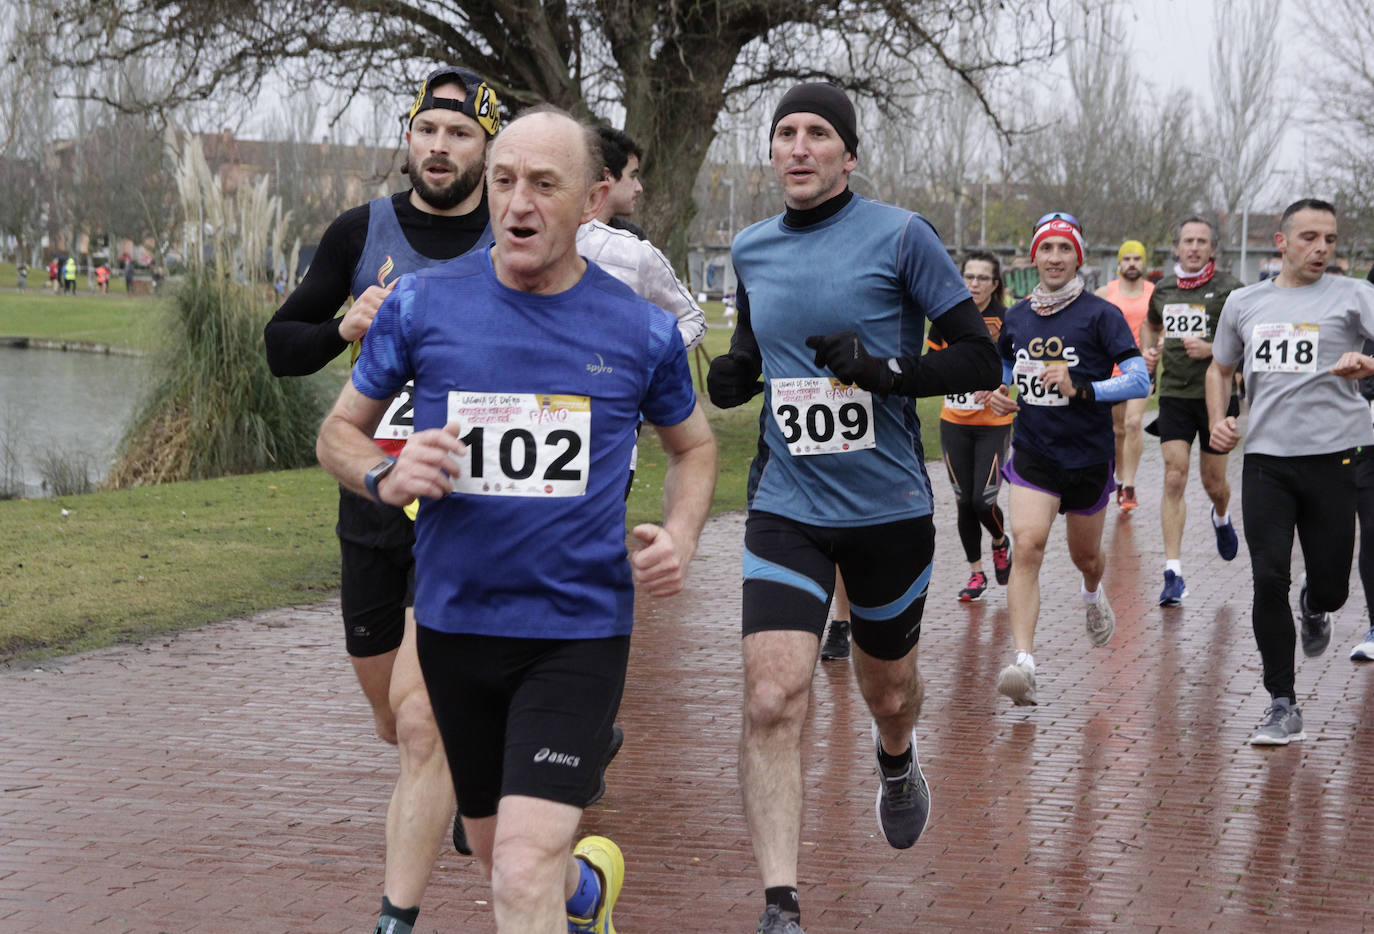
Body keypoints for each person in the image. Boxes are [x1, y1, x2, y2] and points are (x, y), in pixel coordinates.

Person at [317, 104, 717, 934]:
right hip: (457, 628)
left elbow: (695, 449)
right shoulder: (424, 306)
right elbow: (338, 433)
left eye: (544, 184)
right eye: (504, 181)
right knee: (502, 853)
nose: (518, 204)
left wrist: (680, 535)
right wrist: (388, 474)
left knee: (520, 868)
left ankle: (557, 883)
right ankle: (588, 891)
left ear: (591, 201)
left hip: (577, 630)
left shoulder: (639, 331)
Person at [707, 82, 1000, 934]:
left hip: (887, 508)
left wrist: (885, 371)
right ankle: (781, 905)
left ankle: (898, 760)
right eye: (784, 133)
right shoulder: (752, 248)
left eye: (817, 134)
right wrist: (738, 377)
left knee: (890, 691)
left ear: (849, 155)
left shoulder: (901, 236)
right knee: (771, 696)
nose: (798, 147)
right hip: (786, 502)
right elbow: (757, 355)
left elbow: (981, 358)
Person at [264, 65, 502, 934]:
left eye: (460, 134)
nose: (439, 148)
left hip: (466, 515)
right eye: (426, 130)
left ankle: (402, 905)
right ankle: (471, 769)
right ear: (409, 138)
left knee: (421, 718)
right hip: (370, 507)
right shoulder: (360, 232)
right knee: (389, 714)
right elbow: (280, 347)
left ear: (487, 147)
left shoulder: (509, 235)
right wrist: (343, 327)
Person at [1206, 198, 1374, 745]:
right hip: (1266, 464)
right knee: (1267, 576)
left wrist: (1368, 363)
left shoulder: (1355, 296)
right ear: (1282, 242)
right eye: (1309, 237)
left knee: (1331, 586)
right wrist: (1219, 419)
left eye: (1329, 238)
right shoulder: (1244, 302)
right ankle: (1282, 702)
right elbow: (1220, 367)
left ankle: (1315, 603)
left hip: (1336, 458)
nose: (1321, 248)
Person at [984, 214, 1150, 707]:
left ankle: (1093, 593)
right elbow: (1007, 367)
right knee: (1028, 546)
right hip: (1035, 451)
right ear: (1033, 256)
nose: (1054, 257)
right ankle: (1023, 662)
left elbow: (1140, 380)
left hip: (1088, 456)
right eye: (1046, 248)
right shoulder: (1016, 317)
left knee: (1086, 557)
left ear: (1078, 257)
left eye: (1064, 249)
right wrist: (1000, 391)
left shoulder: (1101, 315)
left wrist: (1086, 387)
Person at [1139, 217, 1243, 606]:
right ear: (1177, 248)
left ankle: (1221, 516)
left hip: (1217, 398)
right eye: (1188, 241)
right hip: (1175, 396)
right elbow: (1150, 325)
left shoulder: (1231, 289)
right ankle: (1173, 571)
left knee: (1213, 483)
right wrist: (1148, 354)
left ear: (1212, 248)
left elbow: (1250, 336)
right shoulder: (1163, 289)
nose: (1195, 247)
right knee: (1173, 477)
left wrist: (1213, 347)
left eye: (1202, 241)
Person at [928, 250, 1015, 602]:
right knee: (964, 500)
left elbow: (1013, 362)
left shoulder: (1006, 319)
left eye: (982, 278)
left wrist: (1003, 384)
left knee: (983, 500)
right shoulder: (945, 318)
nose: (974, 284)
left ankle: (999, 540)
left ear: (995, 285)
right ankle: (976, 573)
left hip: (993, 423)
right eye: (969, 276)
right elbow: (932, 365)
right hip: (954, 423)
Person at [1095, 240, 1154, 511]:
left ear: (1144, 263)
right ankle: (1118, 479)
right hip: (1112, 370)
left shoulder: (1154, 294)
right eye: (1127, 258)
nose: (1132, 263)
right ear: (1119, 263)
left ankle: (1129, 484)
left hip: (1141, 369)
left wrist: (1159, 345)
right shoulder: (1106, 292)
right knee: (1117, 430)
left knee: (1132, 423)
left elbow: (1162, 327)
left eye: (1137, 259)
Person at [594, 125, 647, 240]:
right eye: (632, 176)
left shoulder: (634, 239)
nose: (639, 188)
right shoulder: (566, 236)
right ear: (607, 176)